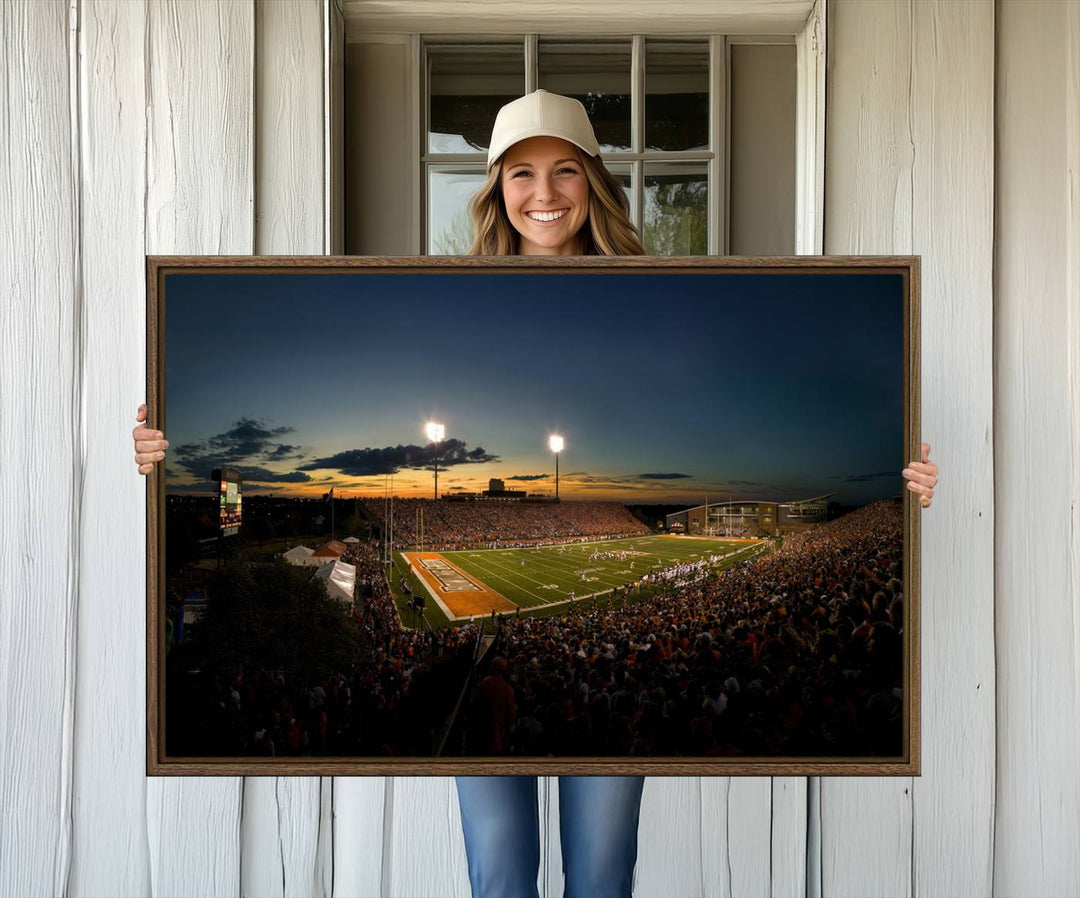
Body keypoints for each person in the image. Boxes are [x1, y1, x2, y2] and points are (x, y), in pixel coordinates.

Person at [132, 89, 940, 898]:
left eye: (564, 171)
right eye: (521, 173)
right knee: (500, 872)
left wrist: (905, 486)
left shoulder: (653, 290)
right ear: (495, 188)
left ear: (594, 181)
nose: (544, 193)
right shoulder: (455, 296)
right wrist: (159, 450)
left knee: (600, 873)